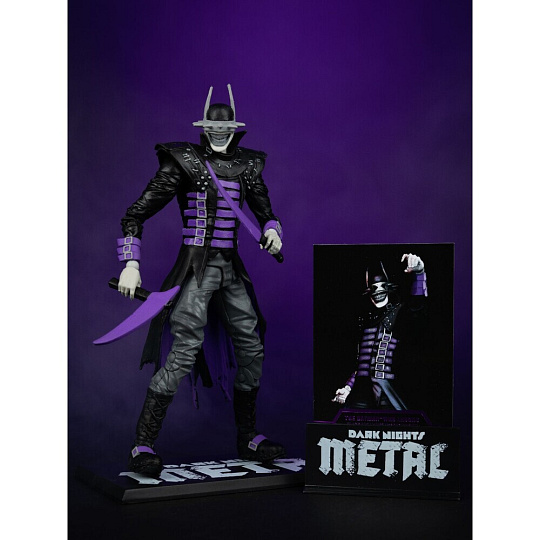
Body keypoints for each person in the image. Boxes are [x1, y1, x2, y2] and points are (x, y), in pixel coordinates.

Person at [117, 85, 285, 478]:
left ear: (235, 129)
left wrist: (273, 229)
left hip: (232, 270)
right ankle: (142, 444)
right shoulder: (183, 162)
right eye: (213, 127)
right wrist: (131, 263)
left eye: (225, 128)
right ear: (203, 127)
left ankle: (248, 436)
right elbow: (135, 214)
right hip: (196, 268)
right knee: (183, 351)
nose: (219, 133)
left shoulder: (248, 165)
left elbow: (266, 212)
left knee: (252, 348)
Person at [333, 253, 427, 410]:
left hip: (389, 390)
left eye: (381, 286)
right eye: (374, 287)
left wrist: (419, 274)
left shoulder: (398, 312)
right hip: (363, 393)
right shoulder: (364, 319)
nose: (378, 291)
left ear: (388, 287)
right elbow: (362, 364)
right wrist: (348, 387)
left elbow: (417, 306)